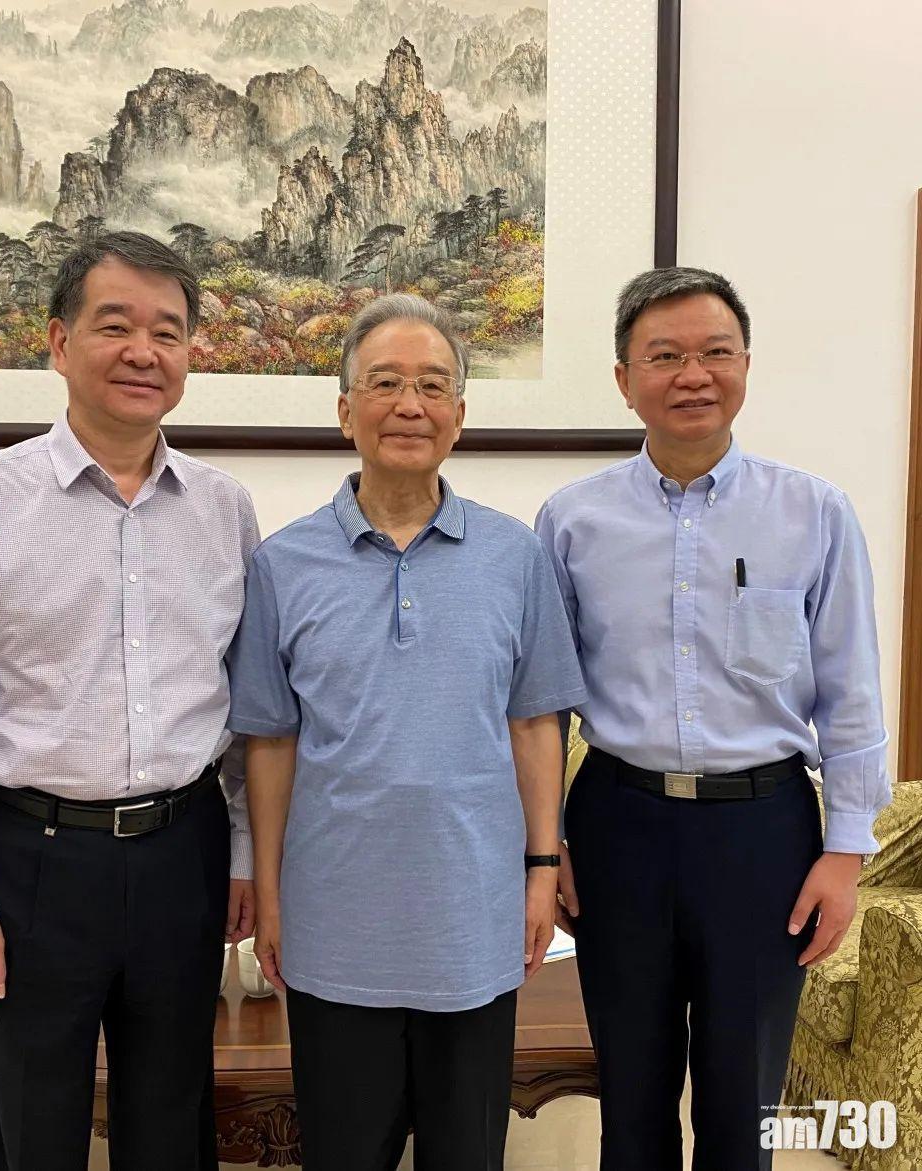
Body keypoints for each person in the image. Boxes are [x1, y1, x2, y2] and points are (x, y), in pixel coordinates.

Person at [0, 231, 260, 1171]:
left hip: (183, 854)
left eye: (167, 332)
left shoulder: (224, 509)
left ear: (190, 354)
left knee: (172, 1121)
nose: (144, 351)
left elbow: (239, 710)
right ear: (59, 342)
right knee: (28, 1128)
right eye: (115, 325)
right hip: (32, 863)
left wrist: (245, 851)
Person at [535, 266, 890, 1171]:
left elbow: (852, 694)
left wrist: (846, 853)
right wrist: (545, 844)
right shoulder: (572, 522)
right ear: (625, 379)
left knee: (743, 1103)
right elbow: (540, 702)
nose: (692, 374)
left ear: (745, 366)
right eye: (665, 356)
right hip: (618, 825)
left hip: (763, 832)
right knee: (632, 1099)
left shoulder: (814, 512)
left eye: (715, 352)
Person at [226, 293, 586, 1171]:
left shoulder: (514, 556)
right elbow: (269, 744)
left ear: (459, 413)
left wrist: (542, 870)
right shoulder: (282, 563)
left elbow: (535, 723)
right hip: (334, 917)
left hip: (473, 915)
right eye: (384, 383)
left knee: (468, 1152)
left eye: (432, 385)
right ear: (344, 409)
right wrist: (269, 891)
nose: (409, 405)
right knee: (345, 1151)